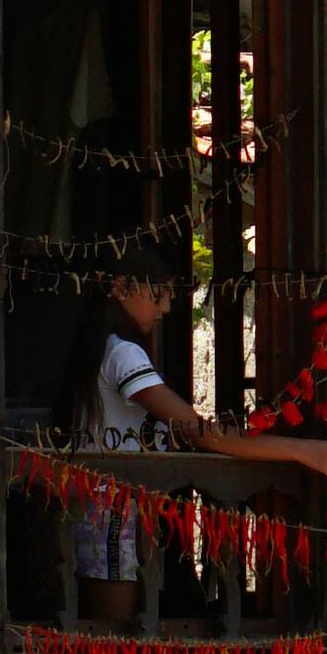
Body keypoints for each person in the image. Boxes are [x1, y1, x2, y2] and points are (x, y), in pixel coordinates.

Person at [69, 236, 214, 619]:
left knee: (109, 631)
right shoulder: (123, 354)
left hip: (101, 511)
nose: (165, 308)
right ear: (121, 288)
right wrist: (297, 449)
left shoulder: (103, 348)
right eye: (159, 295)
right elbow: (197, 430)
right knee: (113, 633)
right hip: (113, 517)